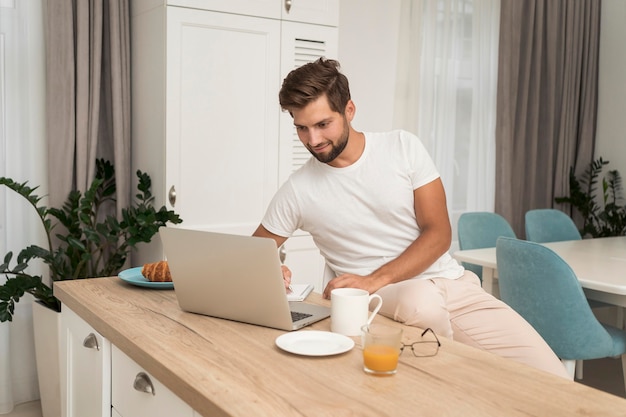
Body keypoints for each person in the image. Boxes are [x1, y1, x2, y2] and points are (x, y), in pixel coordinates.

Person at [253, 58, 569, 379]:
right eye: (301, 128)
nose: (313, 140)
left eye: (323, 124)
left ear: (349, 110)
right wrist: (270, 270)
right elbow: (253, 256)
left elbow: (438, 233)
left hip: (452, 286)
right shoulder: (298, 189)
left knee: (555, 379)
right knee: (421, 301)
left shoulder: (402, 147)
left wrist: (374, 278)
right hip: (387, 299)